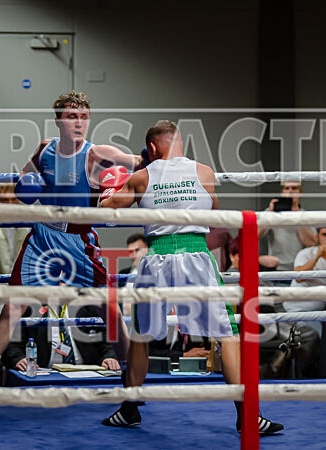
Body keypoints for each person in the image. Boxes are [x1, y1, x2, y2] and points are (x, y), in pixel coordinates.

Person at [98, 120, 282, 434]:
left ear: (152, 148)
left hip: (155, 257)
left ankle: (129, 409)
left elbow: (105, 210)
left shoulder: (141, 177)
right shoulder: (205, 172)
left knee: (141, 336)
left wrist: (108, 189)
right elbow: (212, 212)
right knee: (226, 334)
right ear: (180, 143)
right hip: (197, 255)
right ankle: (248, 416)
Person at [0, 91, 142, 383]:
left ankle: (132, 379)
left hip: (79, 240)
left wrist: (162, 162)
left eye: (84, 117)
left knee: (109, 308)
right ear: (58, 120)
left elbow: (139, 161)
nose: (78, 123)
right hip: (42, 238)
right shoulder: (44, 150)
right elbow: (20, 190)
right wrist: (28, 185)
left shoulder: (97, 154)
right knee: (12, 308)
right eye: (71, 116)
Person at [3, 304, 120, 371]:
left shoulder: (88, 305)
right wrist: (18, 358)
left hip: (86, 372)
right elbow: (12, 345)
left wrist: (109, 357)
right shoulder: (30, 306)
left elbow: (107, 340)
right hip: (43, 374)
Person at [259, 181, 316, 280]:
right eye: (286, 188)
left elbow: (310, 243)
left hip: (298, 269)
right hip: (275, 269)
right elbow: (255, 235)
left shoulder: (304, 215)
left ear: (300, 192)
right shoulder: (271, 213)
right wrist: (270, 214)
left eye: (294, 188)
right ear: (282, 192)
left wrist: (297, 216)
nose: (290, 192)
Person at [0, 183, 30, 275]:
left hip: (22, 278)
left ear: (18, 200)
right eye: (5, 200)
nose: (10, 204)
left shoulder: (27, 222)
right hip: (0, 279)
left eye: (13, 199)